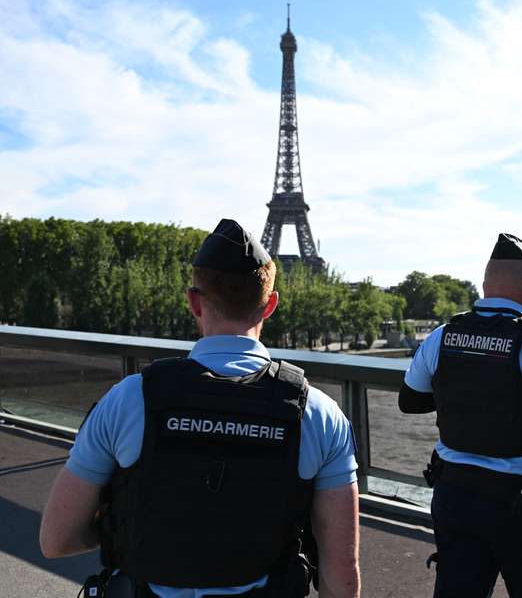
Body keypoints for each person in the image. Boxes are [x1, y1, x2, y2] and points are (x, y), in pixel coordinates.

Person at [39, 219, 361, 598]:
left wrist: (125, 524)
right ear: (270, 305)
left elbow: (56, 540)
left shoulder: (128, 400)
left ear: (193, 301)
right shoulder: (319, 414)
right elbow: (342, 576)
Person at [399, 233, 522, 598]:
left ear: (486, 286)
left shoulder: (442, 336)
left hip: (453, 492)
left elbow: (409, 401)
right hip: (519, 506)